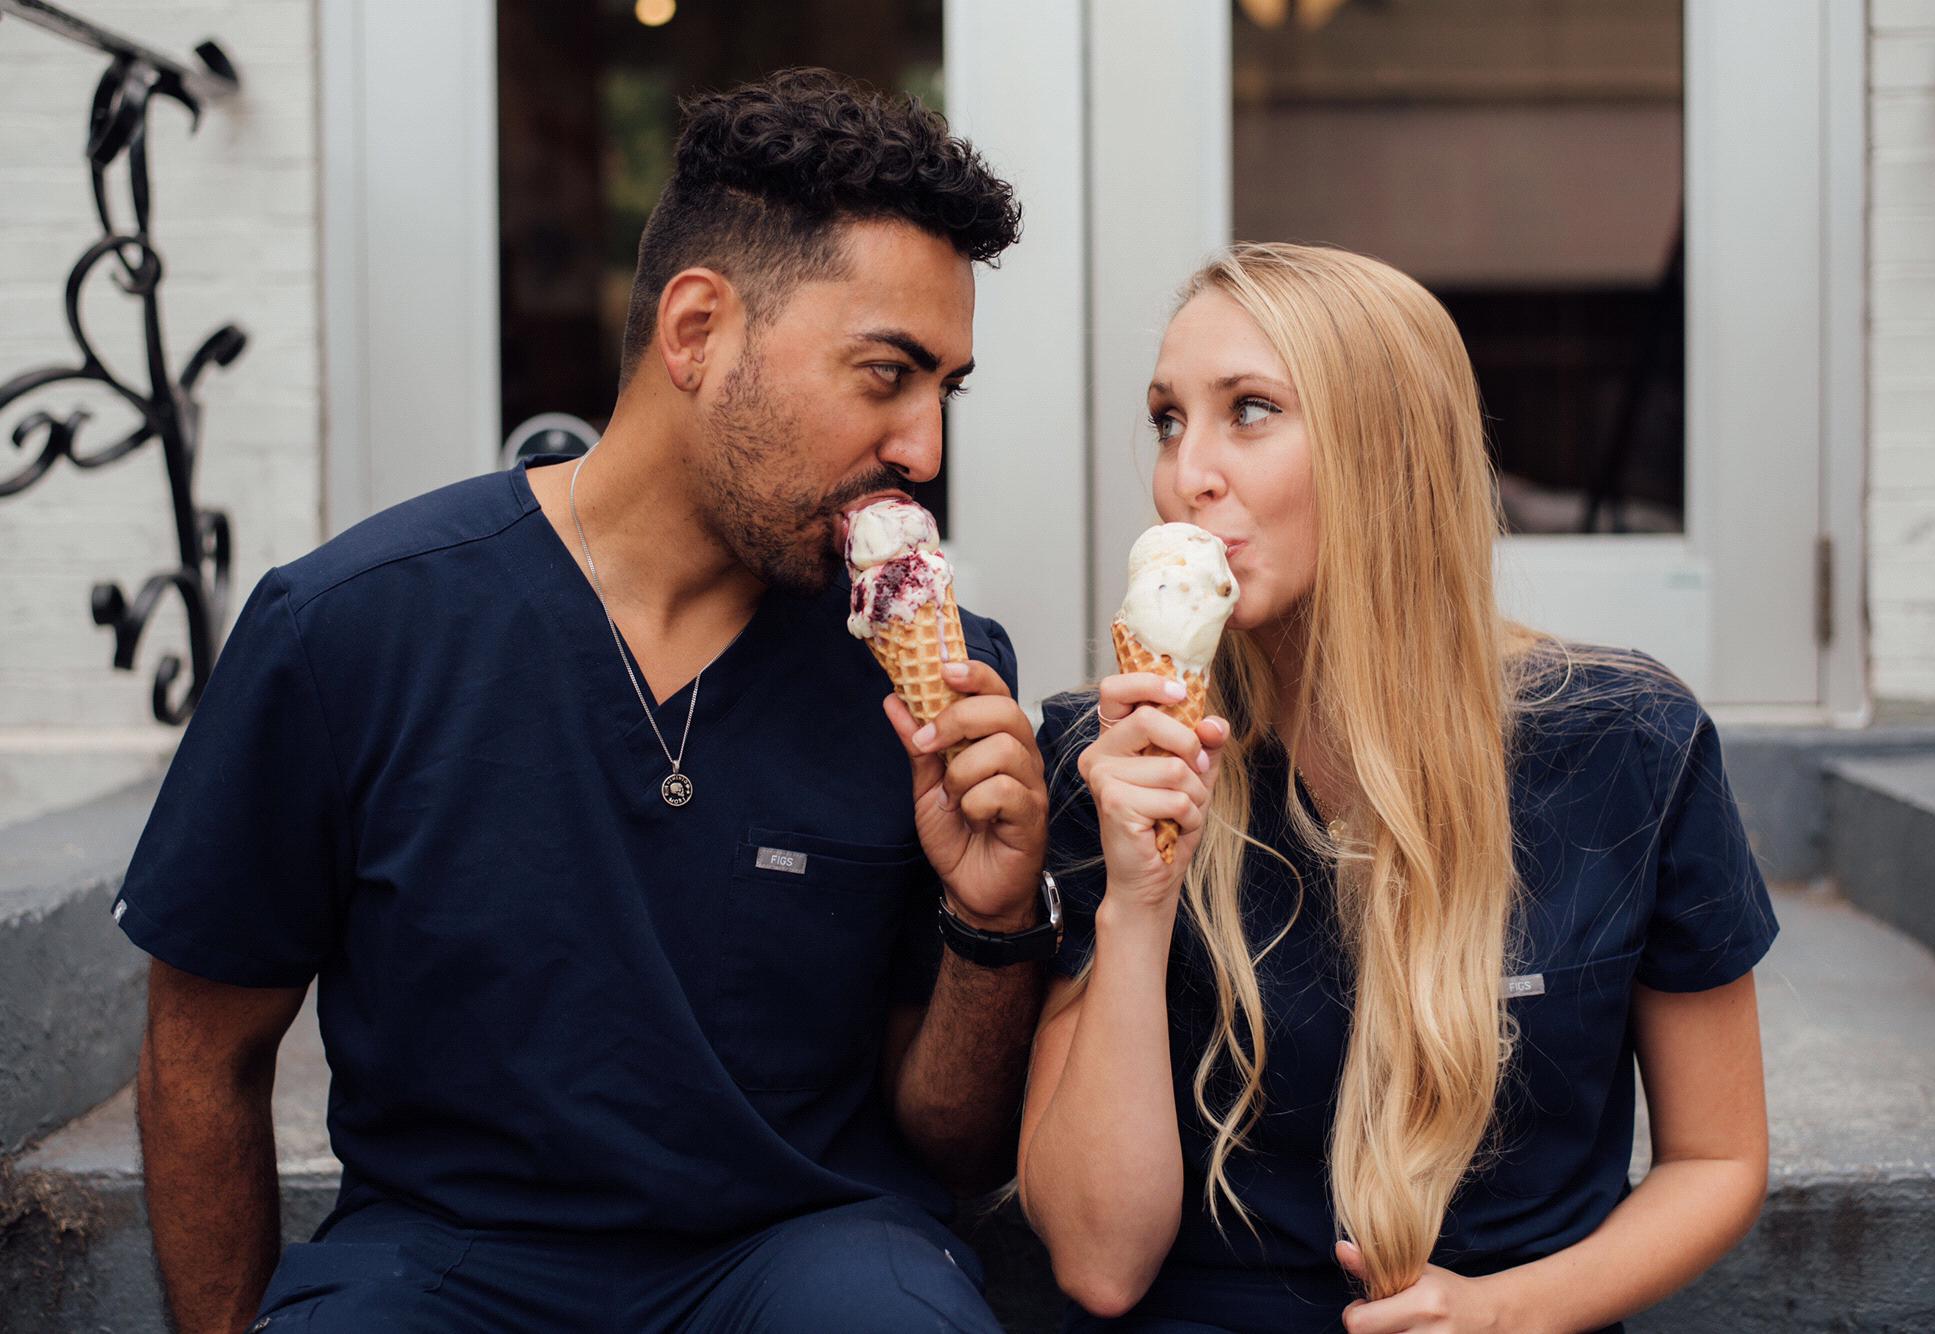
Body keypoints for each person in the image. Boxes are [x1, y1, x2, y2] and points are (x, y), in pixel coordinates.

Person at [119, 69, 1057, 1334]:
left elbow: (945, 1142)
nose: (923, 448)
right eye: (885, 373)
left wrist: (992, 915)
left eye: (945, 387)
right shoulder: (348, 629)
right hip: (449, 1254)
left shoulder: (926, 678)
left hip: (808, 1248)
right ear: (695, 331)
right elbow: (200, 1051)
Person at [1018, 243, 1776, 1334]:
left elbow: (1716, 1155)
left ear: (1388, 452)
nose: (1187, 473)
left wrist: (1506, 1311)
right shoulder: (1113, 754)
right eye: (1167, 419)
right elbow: (1098, 1262)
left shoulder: (1623, 745)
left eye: (1248, 410)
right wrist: (1136, 902)